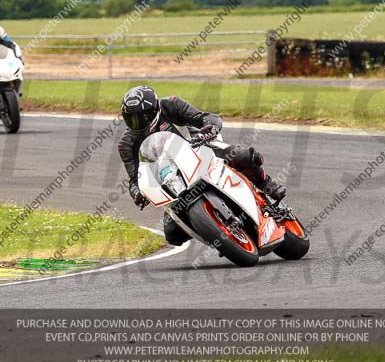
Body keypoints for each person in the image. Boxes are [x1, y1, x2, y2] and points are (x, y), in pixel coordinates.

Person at [117, 85, 287, 246]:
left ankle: (266, 184)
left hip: (199, 148)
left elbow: (204, 117)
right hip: (173, 179)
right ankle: (214, 228)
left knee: (244, 156)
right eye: (131, 118)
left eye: (142, 116)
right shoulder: (126, 144)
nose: (137, 122)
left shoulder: (171, 105)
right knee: (172, 234)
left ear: (155, 109)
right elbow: (135, 178)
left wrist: (210, 128)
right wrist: (137, 194)